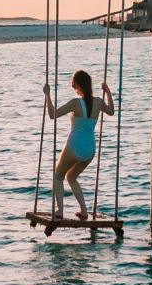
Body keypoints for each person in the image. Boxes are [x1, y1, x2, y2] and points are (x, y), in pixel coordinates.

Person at [43, 69, 114, 219]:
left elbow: (52, 115)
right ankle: (83, 210)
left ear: (79, 86)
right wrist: (107, 92)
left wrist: (47, 95)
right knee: (71, 177)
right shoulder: (99, 102)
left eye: (74, 87)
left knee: (57, 176)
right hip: (90, 150)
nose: (74, 90)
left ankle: (60, 211)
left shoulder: (76, 103)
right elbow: (111, 111)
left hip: (74, 145)